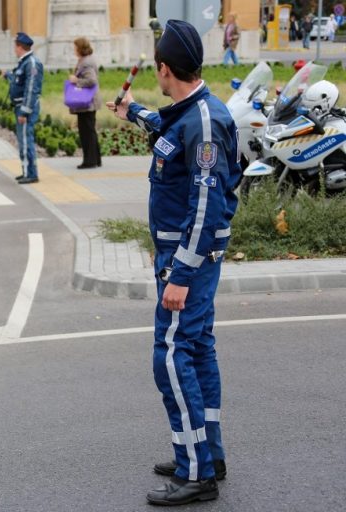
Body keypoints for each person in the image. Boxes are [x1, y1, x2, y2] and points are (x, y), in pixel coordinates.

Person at [106, 19, 241, 506]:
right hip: (183, 256)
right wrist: (133, 112)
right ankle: (207, 454)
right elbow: (167, 129)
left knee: (171, 356)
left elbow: (206, 206)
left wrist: (181, 274)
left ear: (164, 69)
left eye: (157, 70)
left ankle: (196, 472)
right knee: (198, 349)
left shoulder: (203, 123)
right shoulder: (191, 113)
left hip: (187, 261)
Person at [1, 32, 43, 184]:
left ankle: (31, 174)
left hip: (25, 108)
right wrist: (7, 75)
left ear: (20, 47)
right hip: (20, 106)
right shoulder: (24, 62)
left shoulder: (31, 63)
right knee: (23, 140)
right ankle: (26, 171)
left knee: (26, 140)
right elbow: (18, 80)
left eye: (15, 46)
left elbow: (31, 89)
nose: (14, 50)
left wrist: (24, 111)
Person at [68, 37, 102, 169]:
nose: (74, 49)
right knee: (90, 130)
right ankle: (95, 159)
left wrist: (76, 81)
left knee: (86, 132)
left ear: (80, 48)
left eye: (75, 47)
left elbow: (92, 80)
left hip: (87, 103)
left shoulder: (86, 62)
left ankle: (90, 161)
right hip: (89, 102)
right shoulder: (86, 60)